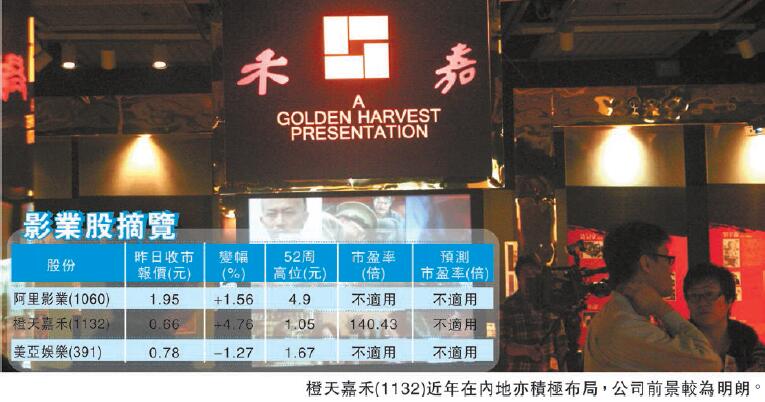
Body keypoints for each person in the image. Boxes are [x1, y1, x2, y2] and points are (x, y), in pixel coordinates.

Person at [583, 221, 721, 371]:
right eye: (667, 259)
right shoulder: (628, 327)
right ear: (646, 263)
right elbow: (710, 363)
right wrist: (662, 308)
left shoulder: (615, 315)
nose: (670, 269)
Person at [684, 263, 765, 371]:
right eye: (694, 296)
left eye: (709, 295)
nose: (702, 303)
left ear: (729, 299)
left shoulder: (749, 343)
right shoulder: (677, 341)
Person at [498, 255, 568, 371]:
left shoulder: (549, 305)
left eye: (535, 273)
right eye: (526, 274)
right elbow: (505, 344)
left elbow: (561, 344)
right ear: (518, 278)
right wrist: (527, 350)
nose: (531, 277)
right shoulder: (508, 307)